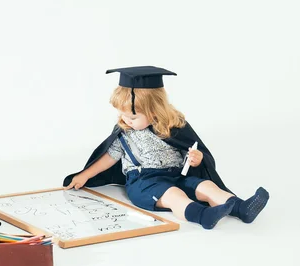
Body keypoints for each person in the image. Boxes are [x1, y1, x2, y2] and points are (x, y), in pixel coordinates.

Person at [63, 66, 269, 229]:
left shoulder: (172, 126)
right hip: (144, 181)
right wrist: (85, 175)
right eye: (122, 114)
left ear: (154, 111)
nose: (126, 120)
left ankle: (242, 208)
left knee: (207, 187)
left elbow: (187, 149)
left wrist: (196, 158)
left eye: (133, 116)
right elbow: (109, 156)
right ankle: (203, 216)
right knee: (173, 195)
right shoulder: (125, 132)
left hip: (178, 174)